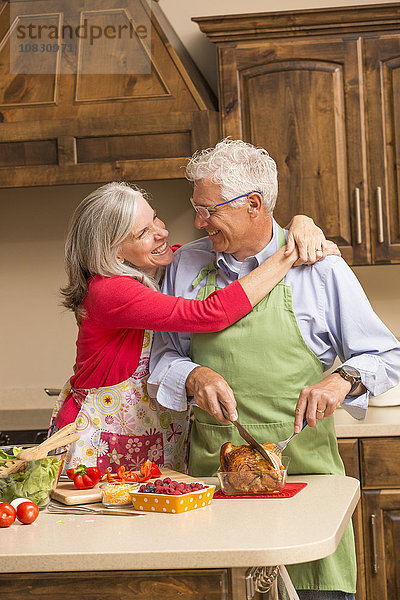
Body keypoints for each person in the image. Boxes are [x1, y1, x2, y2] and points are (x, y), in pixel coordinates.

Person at [148, 139, 400, 599]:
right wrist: (191, 375)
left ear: (254, 204)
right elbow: (162, 358)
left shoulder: (318, 266)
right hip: (210, 494)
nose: (199, 223)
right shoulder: (187, 264)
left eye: (209, 210)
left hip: (307, 491)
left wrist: (342, 379)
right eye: (195, 209)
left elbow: (386, 356)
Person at [49, 181, 337, 474]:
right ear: (116, 252)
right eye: (143, 233)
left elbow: (252, 239)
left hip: (150, 437)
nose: (161, 232)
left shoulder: (160, 264)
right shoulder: (111, 291)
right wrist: (288, 253)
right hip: (97, 443)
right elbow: (209, 313)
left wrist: (301, 224)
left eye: (155, 219)